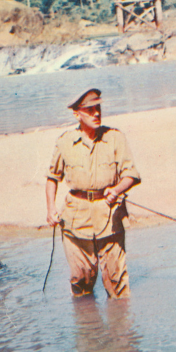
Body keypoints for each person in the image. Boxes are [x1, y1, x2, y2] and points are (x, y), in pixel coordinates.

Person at [45, 88, 140, 298]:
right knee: (81, 281)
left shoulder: (115, 138)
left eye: (98, 108)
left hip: (110, 217)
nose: (96, 113)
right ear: (77, 113)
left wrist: (117, 189)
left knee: (117, 285)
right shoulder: (65, 142)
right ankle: (88, 328)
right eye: (90, 110)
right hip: (76, 221)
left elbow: (131, 175)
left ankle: (121, 330)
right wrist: (51, 208)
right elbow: (52, 178)